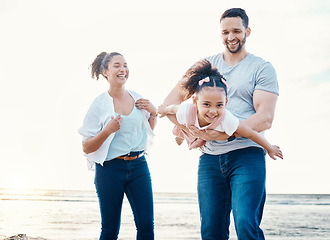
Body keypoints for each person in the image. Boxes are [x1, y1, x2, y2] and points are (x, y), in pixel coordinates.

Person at [160, 8, 279, 240]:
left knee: (246, 225)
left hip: (246, 155)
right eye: (225, 32)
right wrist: (195, 132)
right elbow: (170, 103)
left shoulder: (261, 68)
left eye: (236, 31)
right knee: (211, 231)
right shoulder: (205, 67)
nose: (231, 37)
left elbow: (266, 117)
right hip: (210, 160)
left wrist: (225, 134)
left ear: (247, 31)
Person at [78, 52, 157, 240]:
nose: (123, 69)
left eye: (125, 65)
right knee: (110, 229)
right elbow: (86, 147)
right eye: (117, 66)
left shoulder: (137, 98)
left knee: (146, 225)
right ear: (105, 72)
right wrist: (107, 131)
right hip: (110, 169)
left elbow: (146, 131)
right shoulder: (99, 104)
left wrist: (153, 113)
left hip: (139, 166)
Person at [158, 59, 282, 161]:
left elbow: (250, 133)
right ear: (195, 102)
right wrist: (164, 110)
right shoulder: (186, 110)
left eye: (219, 105)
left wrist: (269, 148)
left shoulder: (227, 119)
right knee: (183, 131)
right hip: (193, 123)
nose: (213, 111)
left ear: (225, 103)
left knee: (199, 141)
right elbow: (172, 108)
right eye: (207, 104)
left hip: (209, 130)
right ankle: (181, 136)